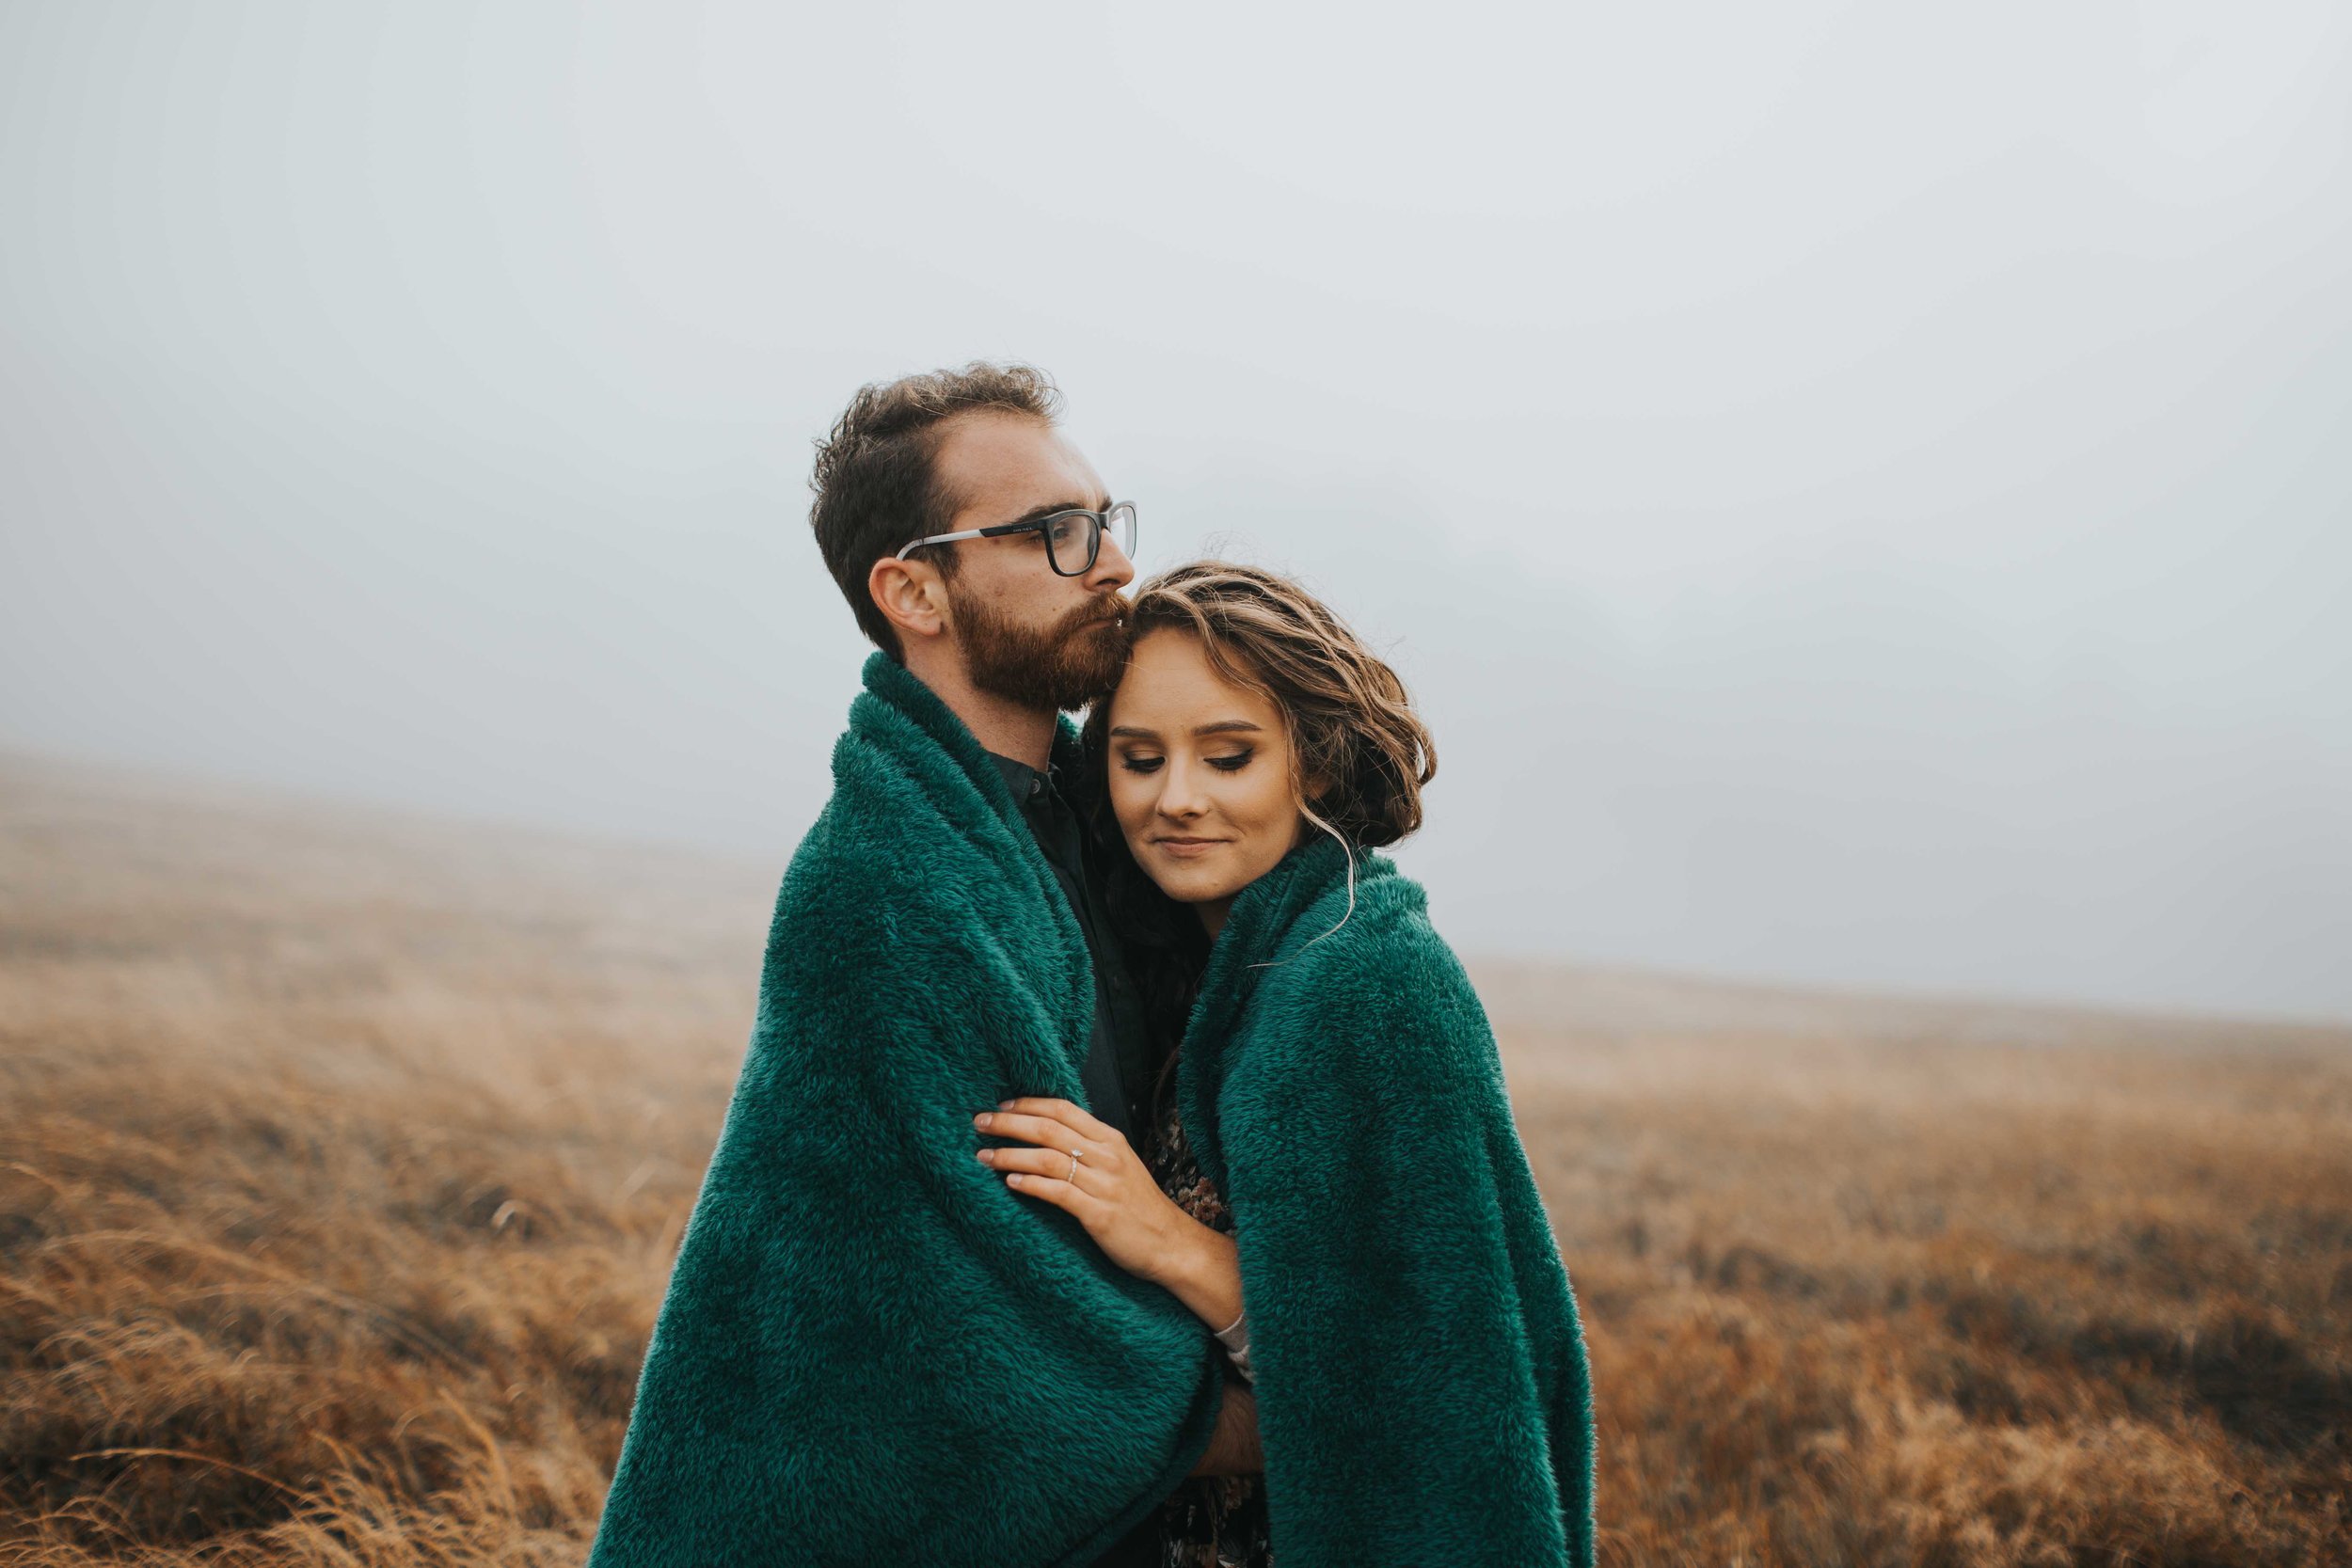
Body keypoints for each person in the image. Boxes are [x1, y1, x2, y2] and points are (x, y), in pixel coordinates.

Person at [583, 364, 1259, 1568]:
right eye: (1055, 532)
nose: (1110, 562)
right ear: (914, 589)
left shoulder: (1092, 817)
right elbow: (970, 1332)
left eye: (1107, 522)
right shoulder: (883, 890)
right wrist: (1288, 1411)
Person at [968, 561, 1598, 1567]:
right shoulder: (1194, 972)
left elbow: (1417, 1374)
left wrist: (1163, 1235)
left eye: (1227, 756)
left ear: (1311, 761)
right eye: (1138, 759)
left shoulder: (1370, 979)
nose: (1176, 799)